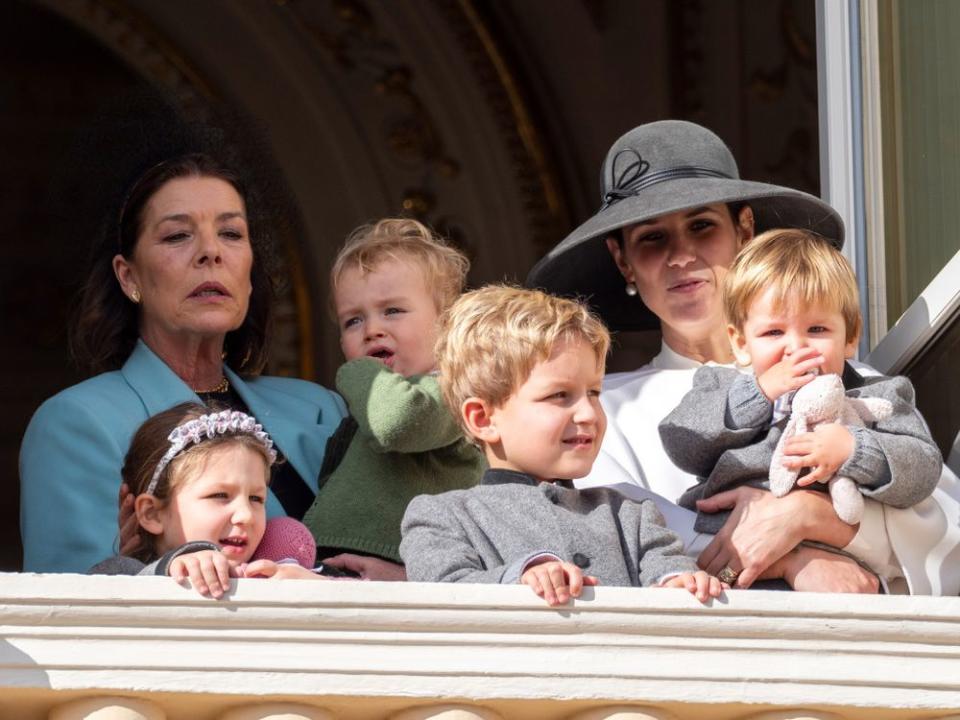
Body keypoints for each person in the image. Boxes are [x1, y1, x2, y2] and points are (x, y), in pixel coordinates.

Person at [527, 120, 960, 595]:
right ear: (622, 260)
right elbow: (603, 532)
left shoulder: (854, 382)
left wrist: (810, 517)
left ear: (744, 229)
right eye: (653, 238)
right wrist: (793, 559)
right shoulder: (598, 407)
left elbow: (949, 531)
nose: (681, 255)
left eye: (702, 226)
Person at [20, 153, 346, 574]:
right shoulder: (74, 423)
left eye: (230, 233)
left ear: (249, 273)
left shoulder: (321, 408)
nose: (211, 252)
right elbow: (67, 613)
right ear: (128, 276)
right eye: (177, 236)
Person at [400, 286, 723, 607]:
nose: (587, 413)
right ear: (483, 419)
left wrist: (683, 582)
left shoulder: (631, 515)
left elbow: (669, 571)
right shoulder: (441, 516)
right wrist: (519, 577)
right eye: (558, 396)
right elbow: (444, 596)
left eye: (594, 393)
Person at [659, 230, 942, 559]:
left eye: (817, 329)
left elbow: (923, 468)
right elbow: (682, 444)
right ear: (740, 342)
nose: (796, 347)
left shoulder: (876, 398)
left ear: (850, 336)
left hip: (835, 563)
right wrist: (758, 395)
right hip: (727, 559)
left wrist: (855, 448)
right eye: (773, 332)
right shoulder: (719, 386)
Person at [301, 219, 485, 563]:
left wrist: (358, 371)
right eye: (352, 321)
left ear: (447, 323)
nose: (371, 330)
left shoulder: (453, 392)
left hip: (398, 564)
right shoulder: (374, 400)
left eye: (393, 311)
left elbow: (395, 422)